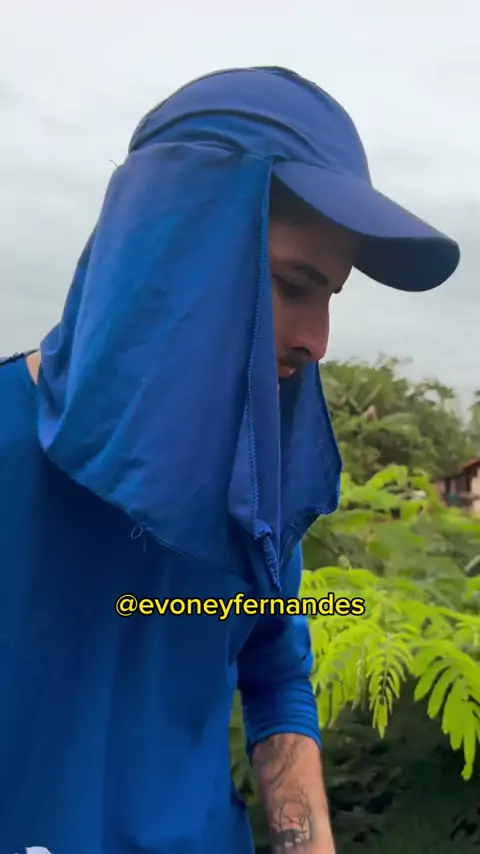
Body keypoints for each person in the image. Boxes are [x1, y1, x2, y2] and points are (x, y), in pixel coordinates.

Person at [0, 66, 459, 854]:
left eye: (329, 298)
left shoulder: (260, 483)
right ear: (170, 248)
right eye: (292, 284)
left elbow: (276, 672)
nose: (317, 341)